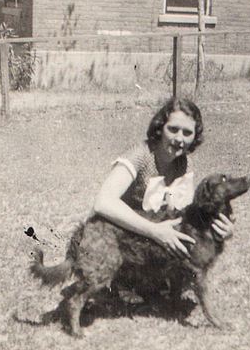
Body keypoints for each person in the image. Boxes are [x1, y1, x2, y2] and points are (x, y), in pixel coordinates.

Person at [93, 97, 234, 258]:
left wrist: (222, 229)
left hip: (146, 247)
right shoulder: (140, 155)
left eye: (187, 133)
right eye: (173, 129)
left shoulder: (184, 163)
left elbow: (186, 216)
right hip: (112, 239)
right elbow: (102, 203)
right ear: (160, 128)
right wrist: (154, 230)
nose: (180, 139)